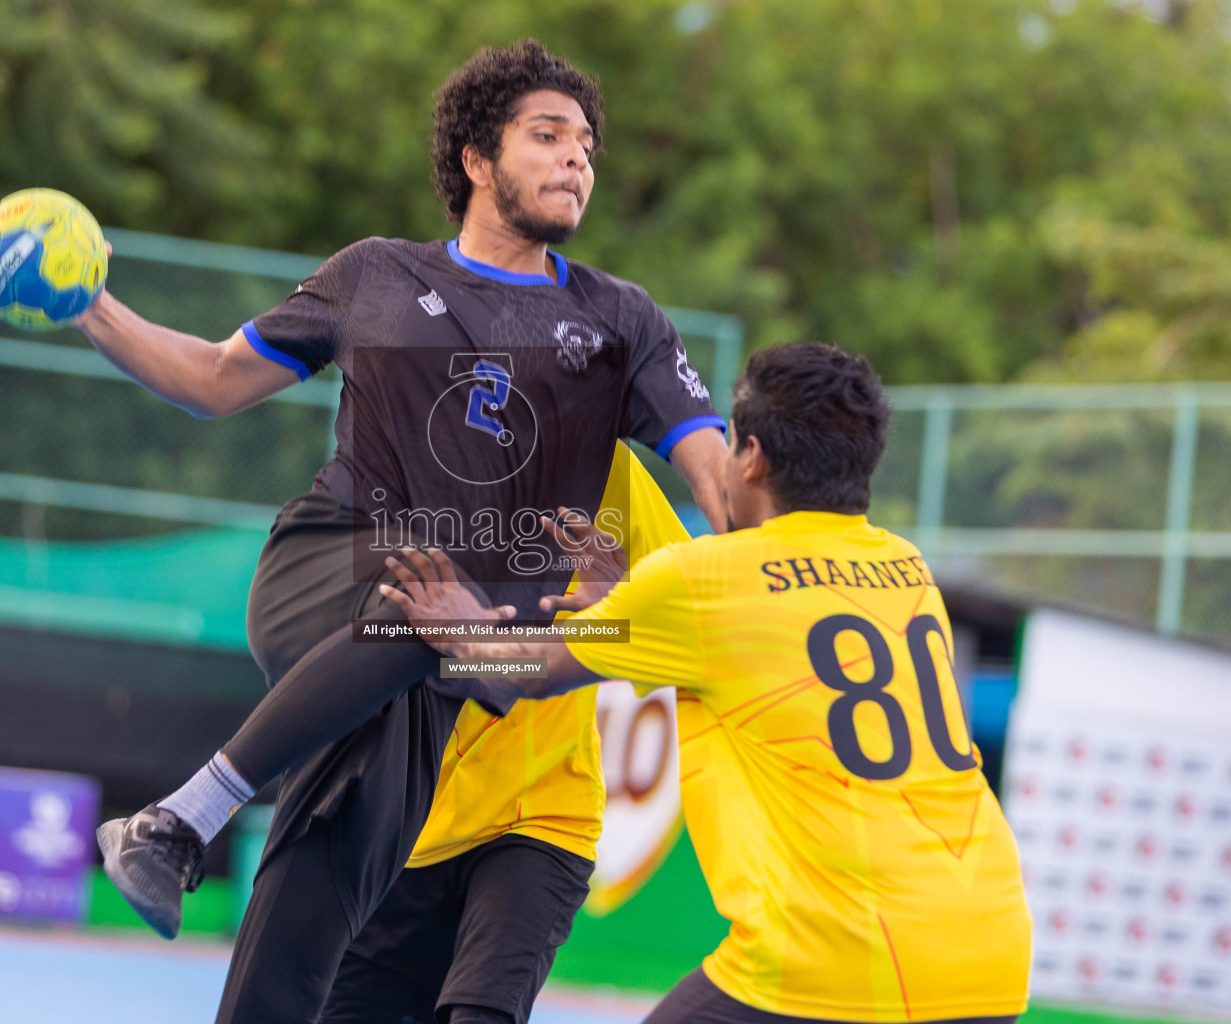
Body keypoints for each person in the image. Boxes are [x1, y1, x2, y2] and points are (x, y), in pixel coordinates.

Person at [78, 40, 730, 1023]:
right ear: (476, 158)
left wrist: (762, 550)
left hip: (432, 669)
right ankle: (181, 817)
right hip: (331, 563)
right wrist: (88, 305)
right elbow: (214, 380)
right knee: (422, 599)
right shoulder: (376, 275)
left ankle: (181, 834)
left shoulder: (619, 322)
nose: (575, 161)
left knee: (317, 891)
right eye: (547, 136)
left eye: (587, 147)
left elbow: (712, 464)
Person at [379, 341, 1034, 1024]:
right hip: (987, 945)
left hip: (836, 952)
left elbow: (530, 670)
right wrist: (618, 608)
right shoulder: (906, 567)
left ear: (751, 457)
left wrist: (461, 626)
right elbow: (739, 642)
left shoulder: (706, 578)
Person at [318, 441, 691, 1024]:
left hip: (539, 814)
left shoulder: (606, 464)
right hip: (406, 821)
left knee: (482, 1013)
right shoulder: (396, 444)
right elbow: (393, 650)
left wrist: (610, 622)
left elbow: (684, 633)